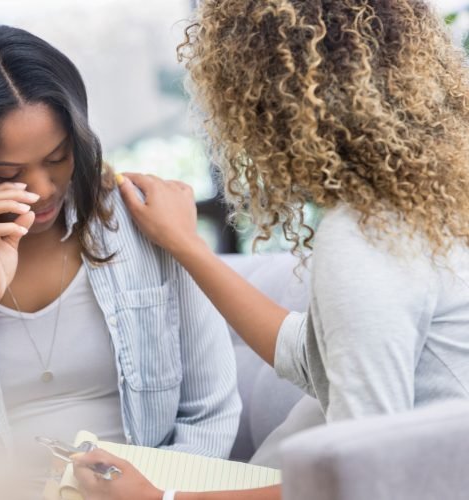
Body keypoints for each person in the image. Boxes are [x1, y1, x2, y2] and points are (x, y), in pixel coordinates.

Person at [73, 1, 469, 499]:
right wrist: (186, 246)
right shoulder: (424, 210)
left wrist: (160, 499)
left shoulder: (363, 243)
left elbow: (362, 480)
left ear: (268, 106)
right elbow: (315, 360)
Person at [0, 25, 241, 486]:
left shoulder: (144, 226)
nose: (44, 190)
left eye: (58, 158)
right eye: (8, 172)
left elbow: (210, 412)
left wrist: (157, 495)